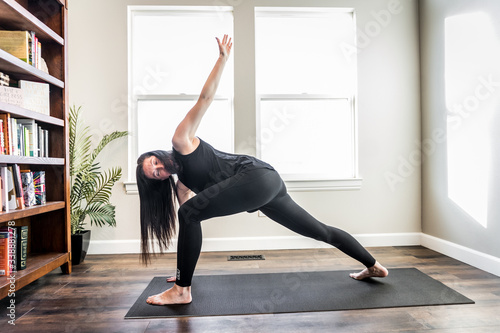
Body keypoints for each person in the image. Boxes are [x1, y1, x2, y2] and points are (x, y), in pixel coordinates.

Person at [136, 35, 388, 305]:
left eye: (155, 162)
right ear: (160, 182)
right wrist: (181, 270)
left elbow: (205, 98)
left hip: (255, 176)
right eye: (157, 173)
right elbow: (187, 221)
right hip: (267, 186)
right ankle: (373, 265)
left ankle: (183, 292)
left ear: (156, 153)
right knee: (319, 231)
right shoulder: (181, 183)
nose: (161, 167)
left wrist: (222, 59)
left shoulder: (180, 141)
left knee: (189, 213)